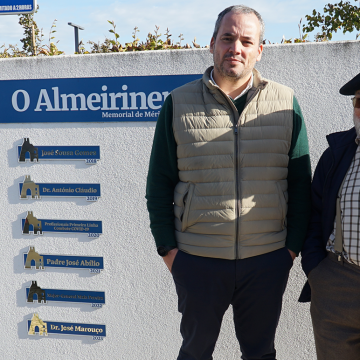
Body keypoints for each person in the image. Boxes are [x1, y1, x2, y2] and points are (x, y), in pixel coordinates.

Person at [146, 5, 311, 360]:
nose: (236, 47)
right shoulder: (178, 103)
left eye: (246, 41)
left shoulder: (286, 102)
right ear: (212, 44)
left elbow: (300, 184)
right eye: (228, 38)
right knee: (194, 352)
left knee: (260, 353)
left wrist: (290, 250)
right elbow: (158, 185)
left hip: (267, 259)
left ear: (259, 50)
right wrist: (169, 252)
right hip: (197, 259)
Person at [300, 73, 360, 360]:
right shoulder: (336, 154)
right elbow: (313, 214)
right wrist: (316, 271)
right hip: (336, 285)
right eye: (359, 101)